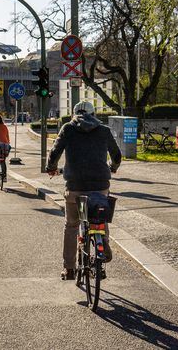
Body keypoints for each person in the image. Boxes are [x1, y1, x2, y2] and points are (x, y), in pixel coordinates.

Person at [46, 101, 122, 281]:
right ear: (94, 114)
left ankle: (70, 269)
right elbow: (117, 155)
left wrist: (51, 167)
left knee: (72, 225)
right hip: (99, 187)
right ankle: (103, 242)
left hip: (75, 188)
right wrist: (113, 166)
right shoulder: (103, 130)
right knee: (99, 216)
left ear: (73, 113)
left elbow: (55, 152)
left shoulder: (68, 129)